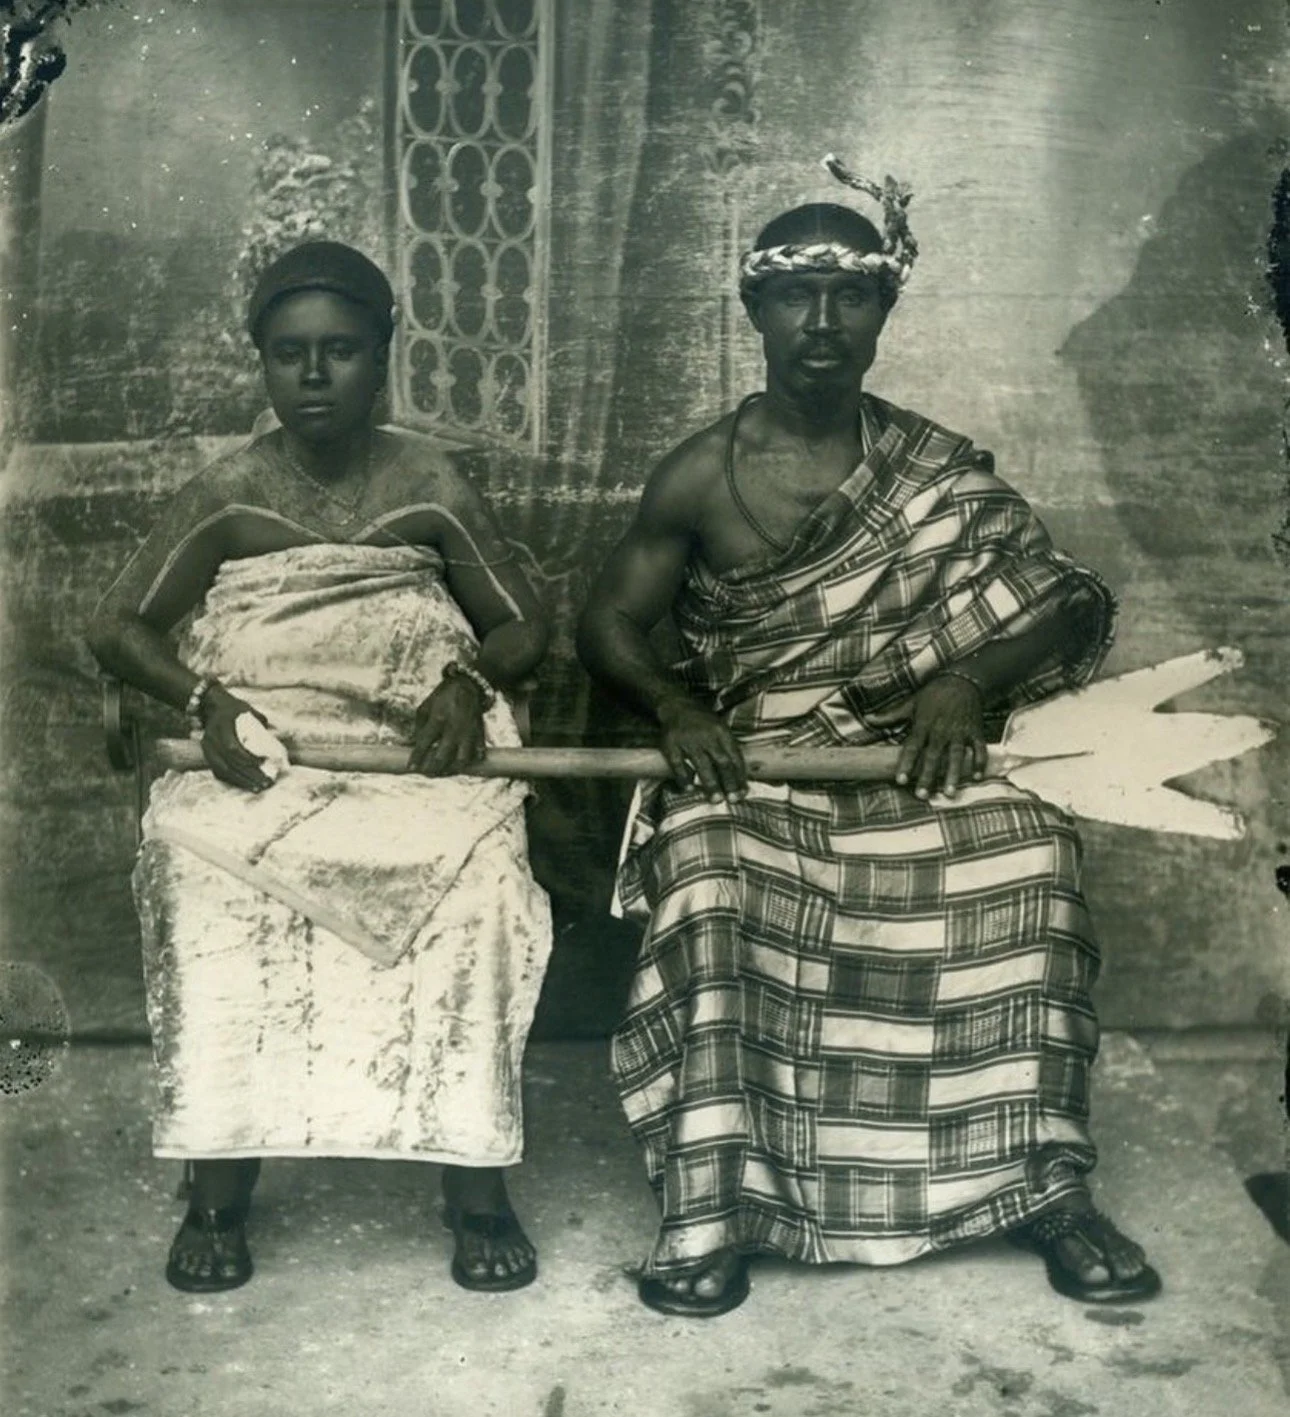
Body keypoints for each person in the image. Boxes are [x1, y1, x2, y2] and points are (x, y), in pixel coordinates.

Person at [576, 158, 1160, 1317]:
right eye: (797, 295)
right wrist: (679, 708)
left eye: (850, 294)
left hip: (910, 763)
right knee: (708, 871)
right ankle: (716, 1206)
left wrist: (966, 680)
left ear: (884, 309)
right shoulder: (700, 475)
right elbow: (606, 622)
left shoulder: (932, 469)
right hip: (762, 768)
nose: (822, 322)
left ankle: (1042, 1183)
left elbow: (1056, 596)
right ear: (754, 309)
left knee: (1035, 856)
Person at [88, 241, 553, 1295]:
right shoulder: (229, 491)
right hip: (260, 764)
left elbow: (524, 623)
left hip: (410, 759)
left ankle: (475, 1179)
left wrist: (468, 683)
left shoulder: (428, 480)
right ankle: (220, 1185)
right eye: (288, 353)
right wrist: (204, 703)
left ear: (381, 356)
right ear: (260, 360)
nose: (312, 375)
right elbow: (116, 624)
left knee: (482, 884)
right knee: (198, 877)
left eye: (339, 350)